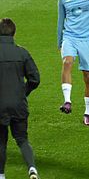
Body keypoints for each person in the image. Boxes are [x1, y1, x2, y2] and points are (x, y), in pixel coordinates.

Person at [0, 18, 40, 179]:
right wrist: (23, 92)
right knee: (22, 139)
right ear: (14, 33)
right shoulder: (22, 52)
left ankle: (1, 175)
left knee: (1, 142)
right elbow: (35, 79)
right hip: (18, 104)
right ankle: (32, 168)